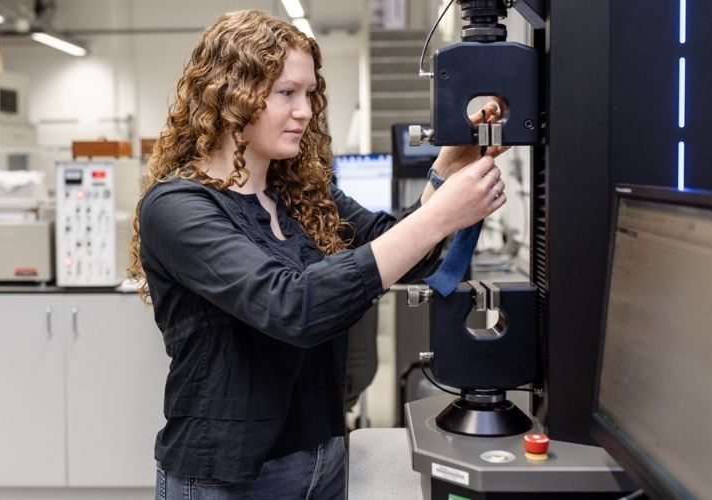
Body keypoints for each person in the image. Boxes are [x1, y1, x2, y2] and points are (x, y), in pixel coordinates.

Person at [128, 9, 508, 500]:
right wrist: (440, 216)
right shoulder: (177, 207)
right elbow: (291, 307)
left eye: (308, 93)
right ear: (229, 96)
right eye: (286, 93)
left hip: (324, 459)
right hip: (226, 477)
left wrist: (444, 173)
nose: (305, 111)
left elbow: (405, 250)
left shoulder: (303, 194)